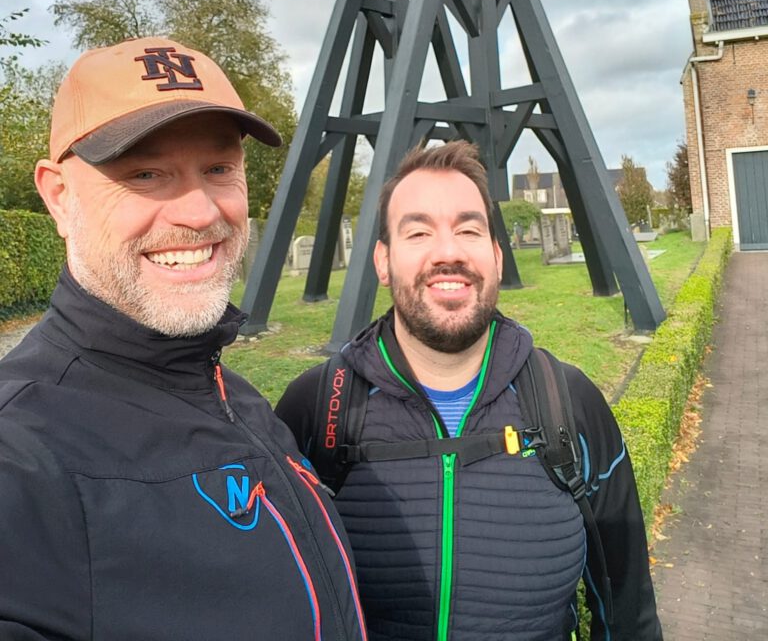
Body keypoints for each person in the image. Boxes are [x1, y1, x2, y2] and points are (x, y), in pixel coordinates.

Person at [0, 37, 367, 641]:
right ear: (60, 197)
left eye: (218, 169)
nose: (198, 212)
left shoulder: (238, 399)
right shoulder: (21, 454)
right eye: (145, 174)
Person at [277, 141, 663, 641]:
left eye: (468, 230)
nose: (448, 252)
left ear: (496, 257)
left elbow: (627, 610)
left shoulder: (570, 405)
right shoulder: (314, 410)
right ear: (383, 261)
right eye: (418, 232)